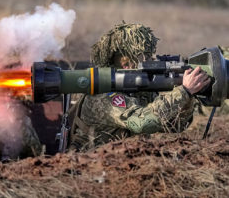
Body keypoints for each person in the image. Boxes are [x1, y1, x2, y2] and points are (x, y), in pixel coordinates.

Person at [69, 23, 211, 151]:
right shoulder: (103, 96)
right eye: (145, 57)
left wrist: (189, 95)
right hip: (90, 167)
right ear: (125, 63)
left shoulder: (138, 90)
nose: (151, 61)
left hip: (123, 163)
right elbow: (143, 123)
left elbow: (175, 126)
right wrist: (184, 91)